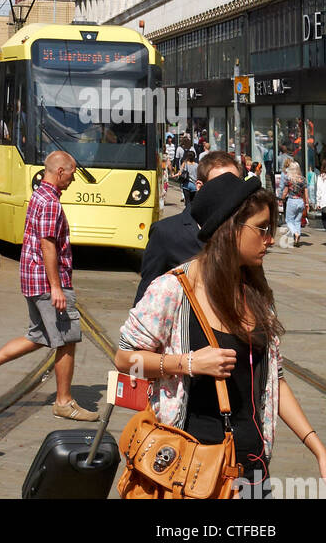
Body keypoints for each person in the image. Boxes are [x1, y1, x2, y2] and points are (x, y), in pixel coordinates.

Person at [114, 173, 326, 498]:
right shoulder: (173, 291)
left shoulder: (256, 293)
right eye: (263, 228)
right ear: (231, 229)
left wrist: (317, 447)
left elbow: (274, 381)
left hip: (252, 470)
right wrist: (187, 363)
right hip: (190, 470)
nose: (271, 239)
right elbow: (126, 361)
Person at [0, 150, 97, 420]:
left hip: (31, 279)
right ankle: (63, 401)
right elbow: (47, 246)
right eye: (72, 174)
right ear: (60, 171)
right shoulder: (51, 202)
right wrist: (56, 287)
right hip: (47, 281)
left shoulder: (39, 194)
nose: (74, 179)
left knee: (38, 336)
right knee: (66, 340)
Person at [134, 151, 242, 304]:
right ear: (200, 186)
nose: (228, 193)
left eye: (234, 186)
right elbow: (146, 295)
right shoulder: (166, 233)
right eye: (220, 185)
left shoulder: (242, 233)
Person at [279, 156, 309, 249]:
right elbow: (306, 193)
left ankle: (295, 233)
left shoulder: (289, 179)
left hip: (292, 200)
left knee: (289, 220)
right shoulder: (303, 179)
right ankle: (297, 237)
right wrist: (307, 203)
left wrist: (281, 199)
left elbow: (285, 191)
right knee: (297, 221)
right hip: (300, 201)